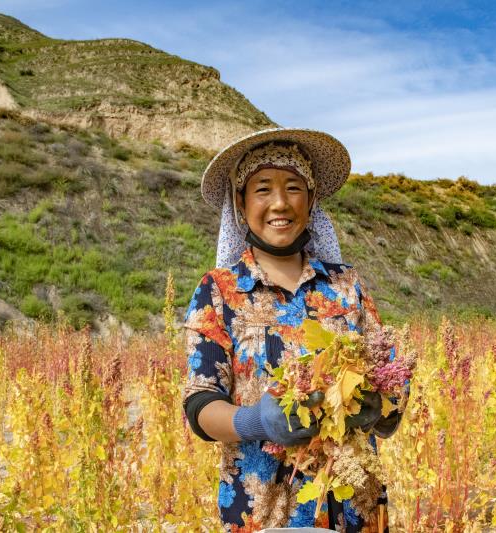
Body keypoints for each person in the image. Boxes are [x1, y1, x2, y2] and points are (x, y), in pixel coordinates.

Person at [182, 128, 404, 532]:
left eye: (293, 187)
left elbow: (391, 381)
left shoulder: (345, 285)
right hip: (264, 510)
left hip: (354, 508)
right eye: (263, 189)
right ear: (241, 203)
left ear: (311, 199)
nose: (280, 203)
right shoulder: (219, 292)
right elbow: (200, 407)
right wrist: (258, 422)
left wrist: (379, 408)